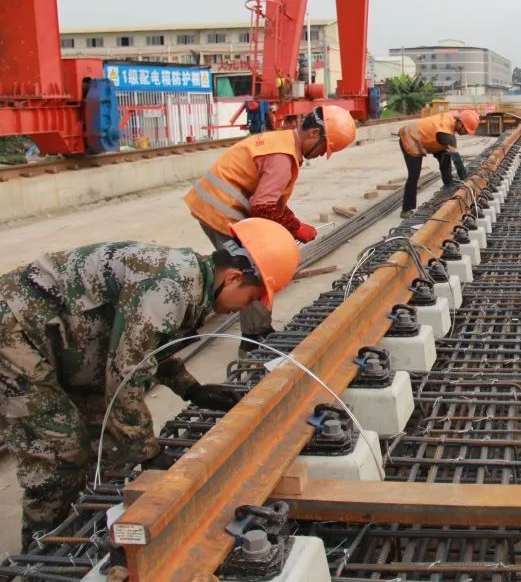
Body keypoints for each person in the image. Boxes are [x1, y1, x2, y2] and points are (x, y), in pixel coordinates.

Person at [0, 218, 300, 548]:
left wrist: (192, 389)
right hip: (15, 330)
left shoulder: (188, 278)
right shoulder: (168, 289)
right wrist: (149, 453)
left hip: (59, 337)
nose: (250, 306)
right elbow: (126, 378)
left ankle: (81, 528)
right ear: (233, 278)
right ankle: (40, 552)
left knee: (103, 437)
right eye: (252, 297)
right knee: (61, 449)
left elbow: (145, 348)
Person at [184, 105, 355, 344]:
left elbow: (269, 201)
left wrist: (293, 223)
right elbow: (263, 208)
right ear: (314, 134)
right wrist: (295, 228)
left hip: (216, 206)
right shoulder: (282, 157)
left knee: (230, 269)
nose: (319, 155)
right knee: (252, 271)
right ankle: (254, 338)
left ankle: (249, 328)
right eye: (324, 149)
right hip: (221, 211)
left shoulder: (282, 143)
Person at [398, 110, 481, 217]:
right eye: (465, 130)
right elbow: (456, 159)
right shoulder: (446, 134)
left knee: (445, 155)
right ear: (460, 123)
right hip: (410, 138)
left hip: (424, 137)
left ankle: (448, 182)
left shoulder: (449, 120)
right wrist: (465, 178)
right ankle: (406, 210)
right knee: (414, 175)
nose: (465, 133)